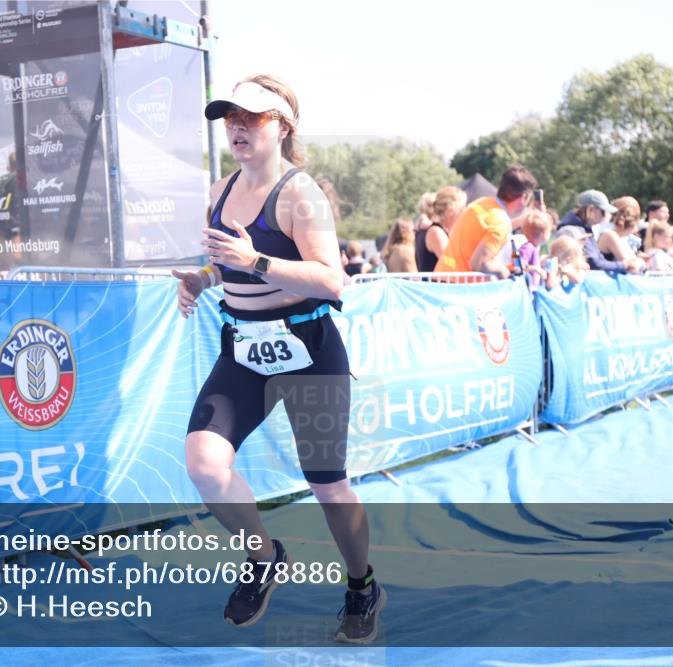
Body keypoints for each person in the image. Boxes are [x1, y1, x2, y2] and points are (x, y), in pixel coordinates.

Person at [171, 74, 385, 644]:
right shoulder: (220, 191)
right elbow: (227, 262)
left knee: (328, 486)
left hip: (308, 348)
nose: (237, 127)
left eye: (252, 117)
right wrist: (202, 276)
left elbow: (331, 281)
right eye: (230, 117)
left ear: (283, 127)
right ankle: (263, 556)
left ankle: (362, 585)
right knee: (204, 465)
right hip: (243, 349)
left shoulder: (301, 195)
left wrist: (256, 260)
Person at [435, 165, 537, 277]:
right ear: (524, 197)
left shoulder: (482, 203)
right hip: (459, 288)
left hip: (442, 280)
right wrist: (505, 272)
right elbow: (478, 264)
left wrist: (508, 267)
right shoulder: (500, 222)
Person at [556, 190, 644, 274]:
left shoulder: (585, 230)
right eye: (603, 211)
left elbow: (599, 259)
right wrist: (624, 265)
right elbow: (593, 263)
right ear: (590, 210)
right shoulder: (569, 232)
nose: (606, 215)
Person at [416, 186, 465, 272]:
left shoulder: (436, 230)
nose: (465, 211)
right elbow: (451, 264)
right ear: (450, 210)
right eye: (462, 208)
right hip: (436, 284)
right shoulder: (436, 232)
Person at [515, 209, 552, 288]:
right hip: (527, 290)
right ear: (543, 234)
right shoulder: (528, 248)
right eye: (549, 231)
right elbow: (520, 266)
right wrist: (536, 269)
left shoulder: (534, 248)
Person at [597, 196, 642, 261]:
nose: (636, 230)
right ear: (631, 226)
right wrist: (641, 262)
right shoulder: (609, 235)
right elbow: (628, 263)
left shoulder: (621, 238)